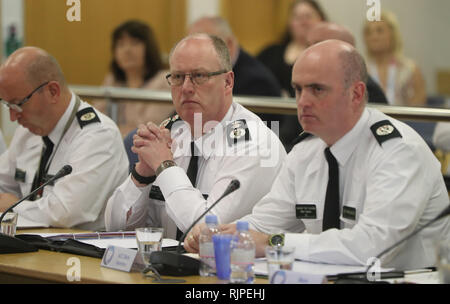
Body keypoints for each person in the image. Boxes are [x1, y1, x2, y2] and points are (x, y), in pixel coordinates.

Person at [184, 40, 450, 270]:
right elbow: (264, 224)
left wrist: (276, 243)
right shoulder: (305, 151)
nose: (303, 101)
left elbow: (371, 248)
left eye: (317, 89)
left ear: (356, 94)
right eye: (298, 89)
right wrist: (222, 234)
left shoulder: (398, 152)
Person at [104, 34, 287, 239]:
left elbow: (207, 232)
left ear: (227, 82)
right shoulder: (173, 134)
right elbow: (115, 227)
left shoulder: (254, 142)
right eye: (178, 77)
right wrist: (142, 175)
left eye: (199, 76)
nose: (186, 88)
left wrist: (165, 166)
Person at [0, 47, 128, 230]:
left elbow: (65, 213)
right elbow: (3, 184)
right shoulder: (28, 130)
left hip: (79, 253)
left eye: (18, 104)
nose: (13, 116)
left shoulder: (99, 135)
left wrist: (13, 208)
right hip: (32, 246)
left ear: (53, 91)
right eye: (7, 105)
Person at [94, 20, 173, 136]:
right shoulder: (113, 80)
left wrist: (111, 131)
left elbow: (148, 129)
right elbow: (96, 121)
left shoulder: (164, 80)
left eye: (134, 43)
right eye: (121, 44)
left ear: (149, 48)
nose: (127, 50)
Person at [188, 16, 282, 98]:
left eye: (204, 46)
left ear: (228, 44)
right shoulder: (192, 76)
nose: (195, 54)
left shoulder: (257, 82)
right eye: (191, 46)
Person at [257, 0, 327, 97]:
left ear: (321, 20)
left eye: (308, 17)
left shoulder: (327, 56)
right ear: (290, 23)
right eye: (298, 18)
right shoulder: (271, 52)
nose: (304, 22)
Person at [306, 22, 388, 104]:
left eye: (317, 45)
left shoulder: (368, 91)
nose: (308, 53)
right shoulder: (304, 81)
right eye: (307, 46)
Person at [363, 11, 426, 107]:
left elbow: (418, 111)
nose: (373, 37)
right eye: (368, 32)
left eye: (379, 31)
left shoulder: (411, 70)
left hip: (404, 121)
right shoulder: (361, 70)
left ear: (393, 34)